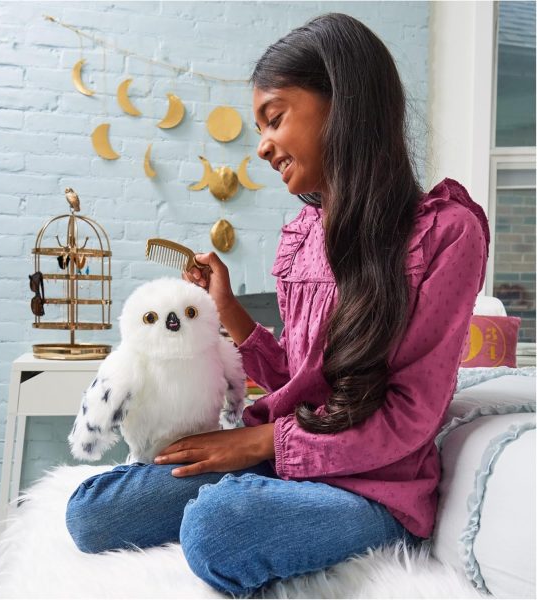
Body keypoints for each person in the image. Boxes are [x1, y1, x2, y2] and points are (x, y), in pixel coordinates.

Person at [65, 13, 490, 597]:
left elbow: (411, 415)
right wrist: (228, 309)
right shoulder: (302, 236)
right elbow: (299, 375)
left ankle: (259, 504)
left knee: (216, 528)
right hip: (284, 456)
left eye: (275, 118)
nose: (262, 146)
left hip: (372, 486)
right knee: (92, 514)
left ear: (343, 104)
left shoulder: (446, 233)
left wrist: (259, 443)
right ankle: (258, 497)